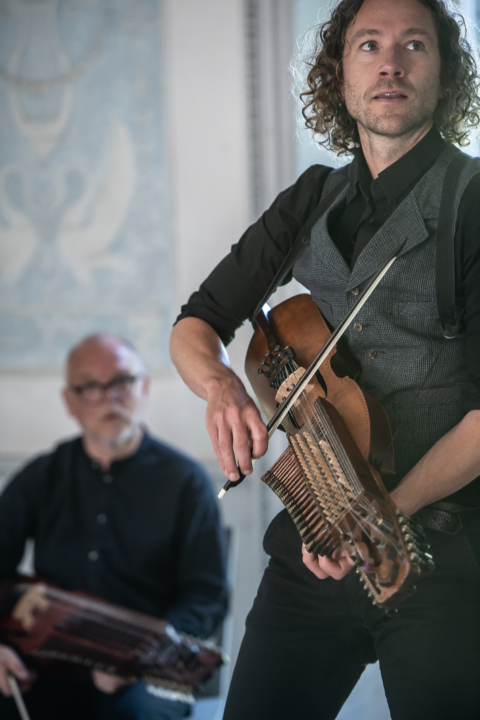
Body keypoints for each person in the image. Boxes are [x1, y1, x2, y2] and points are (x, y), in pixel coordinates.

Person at [170, 0, 480, 718]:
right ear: (339, 76)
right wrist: (221, 388)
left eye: (415, 46)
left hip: (449, 549)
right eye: (367, 45)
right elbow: (196, 324)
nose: (390, 63)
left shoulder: (473, 206)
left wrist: (380, 518)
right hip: (315, 546)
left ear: (445, 75)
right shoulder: (312, 197)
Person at [0, 333, 228, 720]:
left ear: (145, 389)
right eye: (90, 386)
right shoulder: (41, 476)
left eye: (122, 382)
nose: (109, 397)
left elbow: (206, 596)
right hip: (45, 661)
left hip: (145, 671)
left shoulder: (184, 481)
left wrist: (139, 651)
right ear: (69, 401)